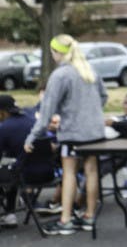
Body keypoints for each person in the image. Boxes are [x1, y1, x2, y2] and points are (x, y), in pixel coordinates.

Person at [24, 34, 107, 236]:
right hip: (95, 131)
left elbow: (47, 110)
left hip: (73, 133)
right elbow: (103, 97)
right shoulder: (89, 69)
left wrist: (33, 136)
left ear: (56, 52)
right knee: (91, 172)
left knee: (69, 172)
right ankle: (89, 216)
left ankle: (66, 220)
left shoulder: (60, 75)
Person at [0, 95, 57, 228]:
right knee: (13, 167)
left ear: (2, 112)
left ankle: (9, 213)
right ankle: (10, 213)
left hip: (25, 176)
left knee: (8, 171)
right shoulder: (33, 121)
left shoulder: (5, 128)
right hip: (48, 173)